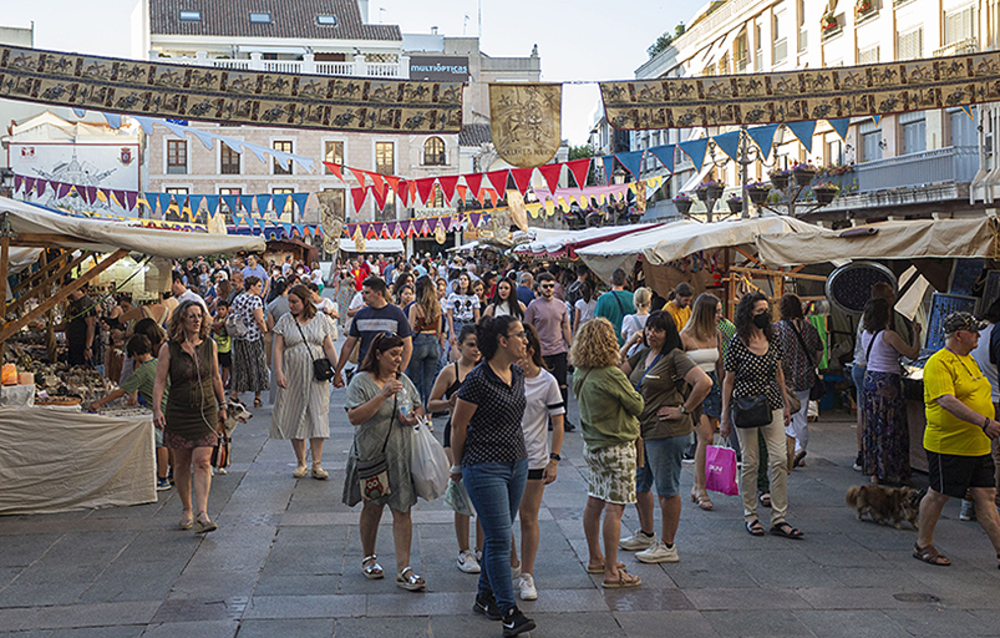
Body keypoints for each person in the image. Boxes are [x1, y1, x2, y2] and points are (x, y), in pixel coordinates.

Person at [449, 316, 535, 635]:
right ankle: (508, 609)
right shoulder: (477, 379)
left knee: (500, 532)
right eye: (519, 335)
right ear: (502, 341)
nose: (525, 340)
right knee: (499, 539)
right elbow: (458, 425)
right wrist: (457, 465)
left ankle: (485, 595)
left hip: (517, 462)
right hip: (484, 465)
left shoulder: (516, 372)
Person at [619, 311, 711, 563]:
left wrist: (683, 409)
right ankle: (646, 533)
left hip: (666, 433)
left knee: (666, 489)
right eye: (649, 328)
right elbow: (617, 371)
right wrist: (629, 343)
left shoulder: (674, 357)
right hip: (642, 432)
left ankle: (668, 545)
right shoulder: (643, 354)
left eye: (658, 330)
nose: (652, 334)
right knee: (639, 486)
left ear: (668, 333)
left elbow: (704, 382)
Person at [914, 312, 1000, 568]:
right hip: (949, 445)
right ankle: (923, 544)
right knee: (939, 494)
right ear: (960, 335)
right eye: (974, 332)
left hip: (978, 446)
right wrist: (984, 422)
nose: (979, 336)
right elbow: (947, 400)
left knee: (985, 495)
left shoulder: (970, 360)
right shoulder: (939, 363)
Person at [343, 332, 426, 591]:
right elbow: (355, 417)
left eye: (400, 355)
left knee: (403, 510)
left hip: (400, 456)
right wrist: (382, 395)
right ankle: (369, 558)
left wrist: (414, 416)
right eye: (393, 354)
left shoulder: (403, 380)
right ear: (377, 355)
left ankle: (404, 568)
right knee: (372, 507)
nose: (398, 360)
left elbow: (419, 406)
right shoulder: (361, 381)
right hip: (371, 456)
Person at [721, 292, 802, 540]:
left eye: (767, 310)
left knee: (778, 459)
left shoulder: (772, 337)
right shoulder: (736, 342)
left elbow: (778, 372)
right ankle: (751, 515)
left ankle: (779, 518)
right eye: (759, 311)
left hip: (773, 403)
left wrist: (786, 403)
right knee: (751, 461)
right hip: (745, 405)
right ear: (749, 314)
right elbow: (728, 380)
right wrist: (725, 415)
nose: (764, 314)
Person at [572, 318, 644, 588]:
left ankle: (596, 558)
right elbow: (637, 405)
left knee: (594, 502)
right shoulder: (611, 375)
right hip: (617, 446)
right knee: (615, 508)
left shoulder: (581, 371)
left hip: (593, 446)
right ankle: (612, 571)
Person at [152, 300, 226, 534]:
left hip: (205, 412)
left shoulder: (209, 346)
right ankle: (187, 509)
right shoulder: (169, 348)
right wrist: (157, 409)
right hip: (179, 410)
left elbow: (215, 377)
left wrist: (223, 403)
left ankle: (203, 512)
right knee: (182, 462)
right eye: (191, 316)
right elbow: (160, 381)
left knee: (202, 461)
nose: (196, 320)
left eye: (199, 316)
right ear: (181, 320)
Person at [513, 324, 565, 600]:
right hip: (503, 457)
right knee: (499, 519)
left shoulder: (547, 382)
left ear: (530, 352)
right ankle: (511, 562)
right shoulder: (505, 377)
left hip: (534, 457)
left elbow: (558, 423)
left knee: (528, 517)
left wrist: (554, 459)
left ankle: (527, 575)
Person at [427, 325, 483, 574]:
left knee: (484, 495)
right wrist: (449, 402)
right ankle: (464, 551)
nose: (476, 350)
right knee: (461, 492)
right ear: (459, 345)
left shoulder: (486, 371)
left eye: (479, 345)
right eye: (471, 344)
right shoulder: (451, 372)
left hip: (482, 436)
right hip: (456, 434)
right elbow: (431, 403)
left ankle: (482, 548)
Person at [271, 285, 339, 479]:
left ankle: (317, 463)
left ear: (304, 301)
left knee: (318, 414)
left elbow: (328, 347)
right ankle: (301, 462)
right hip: (292, 372)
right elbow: (277, 348)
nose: (291, 305)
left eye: (294, 302)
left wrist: (337, 370)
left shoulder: (320, 319)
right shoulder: (285, 321)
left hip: (316, 374)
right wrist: (278, 372)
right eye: (289, 302)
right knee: (295, 413)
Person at [859, 297, 922, 485]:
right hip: (887, 384)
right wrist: (916, 333)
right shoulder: (889, 335)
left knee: (874, 426)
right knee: (891, 426)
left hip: (870, 380)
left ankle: (875, 471)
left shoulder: (865, 334)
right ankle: (894, 471)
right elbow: (913, 354)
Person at [851, 282, 904, 471]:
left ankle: (867, 457)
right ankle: (868, 456)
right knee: (871, 416)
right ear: (883, 299)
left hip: (865, 369)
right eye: (890, 295)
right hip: (869, 370)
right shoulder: (878, 320)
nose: (893, 298)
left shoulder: (872, 317)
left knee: (867, 414)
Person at [680, 293, 725, 510]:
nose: (720, 315)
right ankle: (701, 489)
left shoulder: (717, 334)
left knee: (705, 441)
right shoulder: (685, 337)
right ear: (706, 312)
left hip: (714, 387)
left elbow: (720, 366)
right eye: (716, 311)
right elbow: (676, 366)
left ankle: (697, 486)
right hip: (695, 389)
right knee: (705, 437)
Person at [773, 294, 824, 468]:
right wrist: (812, 367)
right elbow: (819, 350)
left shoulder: (777, 329)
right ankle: (800, 453)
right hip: (805, 378)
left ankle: (794, 449)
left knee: (784, 415)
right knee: (801, 416)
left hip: (784, 380)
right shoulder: (810, 328)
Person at [335, 277, 413, 388]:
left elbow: (408, 345)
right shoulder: (360, 315)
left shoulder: (396, 314)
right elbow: (348, 345)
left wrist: (400, 371)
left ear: (379, 294)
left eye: (367, 292)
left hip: (388, 374)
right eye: (363, 292)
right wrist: (338, 371)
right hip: (364, 372)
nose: (363, 295)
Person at [964, 299, 1000, 520]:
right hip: (996, 398)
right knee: (996, 455)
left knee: (980, 453)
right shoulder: (997, 332)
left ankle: (969, 504)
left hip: (978, 398)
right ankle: (992, 502)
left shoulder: (978, 330)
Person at [524, 273, 574, 431]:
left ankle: (562, 417)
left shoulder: (561, 305)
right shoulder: (533, 306)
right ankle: (545, 418)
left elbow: (565, 326)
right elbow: (527, 328)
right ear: (539, 288)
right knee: (542, 385)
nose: (548, 289)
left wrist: (570, 346)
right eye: (545, 286)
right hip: (541, 352)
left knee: (562, 385)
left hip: (558, 350)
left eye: (551, 286)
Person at [230, 275, 269, 408]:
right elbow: (259, 319)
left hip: (239, 337)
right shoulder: (256, 300)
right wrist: (265, 330)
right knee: (256, 366)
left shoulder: (238, 298)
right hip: (253, 337)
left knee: (240, 367)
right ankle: (257, 397)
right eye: (258, 286)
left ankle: (234, 395)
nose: (260, 288)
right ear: (252, 286)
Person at [406, 276, 442, 409]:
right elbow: (439, 331)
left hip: (418, 344)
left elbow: (410, 330)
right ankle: (429, 416)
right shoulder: (437, 307)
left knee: (413, 381)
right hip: (433, 343)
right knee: (429, 382)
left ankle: (416, 411)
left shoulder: (415, 307)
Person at [594, 268, 636, 345]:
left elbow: (597, 323)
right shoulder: (633, 298)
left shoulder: (603, 299)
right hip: (629, 342)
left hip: (609, 342)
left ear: (610, 281)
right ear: (625, 282)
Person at [446, 272, 481, 359]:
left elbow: (477, 315)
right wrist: (451, 332)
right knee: (455, 350)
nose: (463, 281)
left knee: (468, 349)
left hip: (469, 323)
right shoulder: (453, 296)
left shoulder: (474, 297)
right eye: (461, 279)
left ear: (469, 282)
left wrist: (477, 328)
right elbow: (449, 315)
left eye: (465, 279)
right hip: (457, 323)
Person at [65, 286, 97, 367]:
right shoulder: (71, 306)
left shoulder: (86, 304)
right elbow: (65, 325)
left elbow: (91, 326)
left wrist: (88, 347)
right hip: (73, 346)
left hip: (82, 346)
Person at [619, 287, 652, 358]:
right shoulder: (652, 319)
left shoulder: (628, 319)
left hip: (631, 354)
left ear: (634, 302)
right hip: (647, 355)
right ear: (649, 302)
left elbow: (623, 336)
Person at [212, 300, 232, 390]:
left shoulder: (227, 320)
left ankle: (223, 383)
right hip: (217, 347)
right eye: (219, 309)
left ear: (227, 310)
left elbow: (228, 332)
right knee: (216, 367)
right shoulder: (216, 319)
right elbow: (214, 328)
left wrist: (222, 324)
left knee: (225, 368)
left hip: (225, 348)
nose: (220, 311)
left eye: (222, 309)